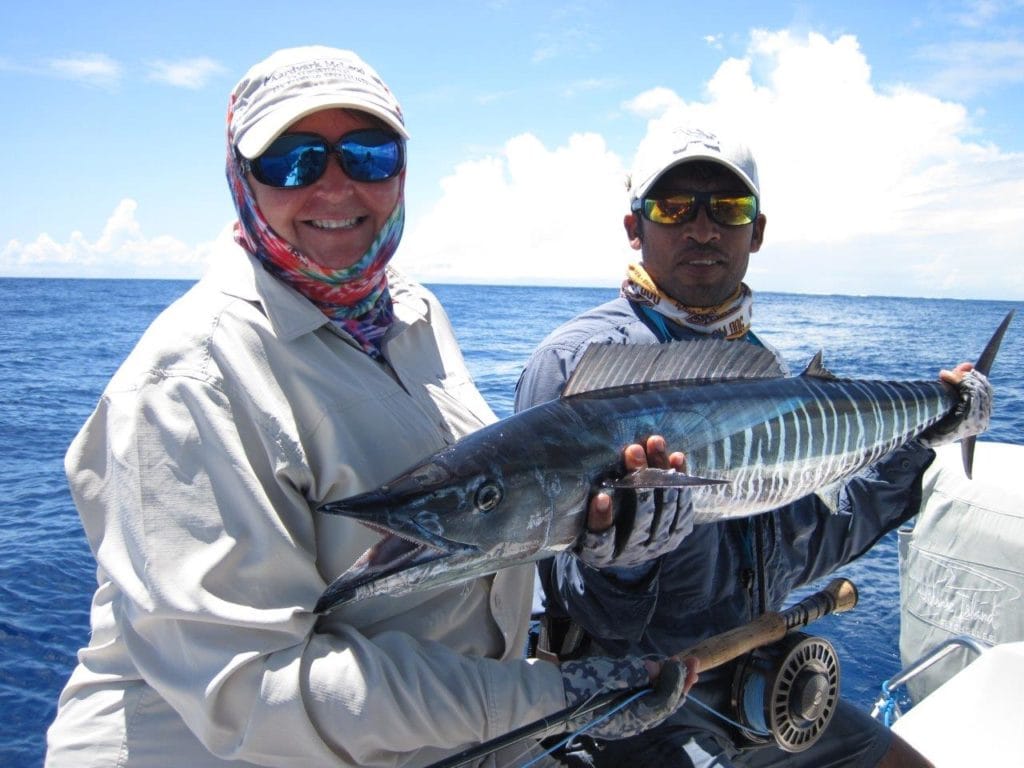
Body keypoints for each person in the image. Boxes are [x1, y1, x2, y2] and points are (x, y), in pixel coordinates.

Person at [43, 47, 698, 768]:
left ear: (403, 171)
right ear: (239, 178)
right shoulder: (186, 381)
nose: (333, 186)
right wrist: (549, 698)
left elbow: (486, 519)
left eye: (367, 154)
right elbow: (256, 693)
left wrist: (597, 539)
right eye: (292, 160)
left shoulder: (412, 314)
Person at [514, 124, 992, 767]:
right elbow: (572, 597)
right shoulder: (574, 365)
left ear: (757, 232)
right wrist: (624, 562)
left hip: (752, 679)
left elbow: (810, 537)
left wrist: (920, 440)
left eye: (728, 208)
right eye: (674, 207)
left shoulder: (761, 369)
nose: (703, 228)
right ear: (635, 227)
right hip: (632, 703)